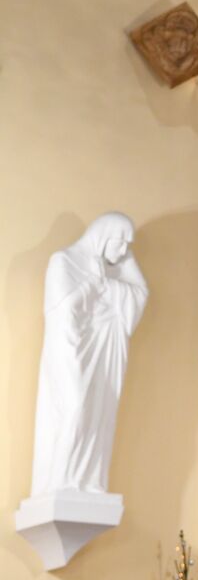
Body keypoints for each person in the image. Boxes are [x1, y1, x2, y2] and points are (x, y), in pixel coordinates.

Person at [30, 212, 148, 496]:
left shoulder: (107, 270)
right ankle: (57, 482)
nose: (123, 253)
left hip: (101, 355)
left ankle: (86, 481)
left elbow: (141, 292)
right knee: (73, 408)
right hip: (68, 350)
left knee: (98, 411)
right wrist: (94, 284)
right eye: (120, 244)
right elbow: (61, 309)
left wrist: (112, 272)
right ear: (103, 235)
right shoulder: (63, 261)